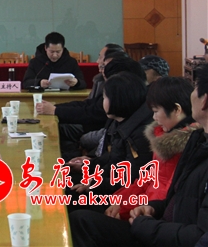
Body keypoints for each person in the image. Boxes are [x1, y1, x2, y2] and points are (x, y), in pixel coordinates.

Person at [69, 64, 208, 247]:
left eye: (156, 111)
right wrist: (146, 208)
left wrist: (138, 216)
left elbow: (197, 232)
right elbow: (155, 186)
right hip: (151, 217)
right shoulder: (185, 140)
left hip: (158, 228)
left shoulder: (183, 144)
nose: (153, 117)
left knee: (80, 217)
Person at [105, 76, 198, 221]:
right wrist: (120, 202)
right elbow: (148, 179)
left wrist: (127, 210)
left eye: (156, 111)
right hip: (143, 210)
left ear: (176, 109)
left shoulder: (188, 146)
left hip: (152, 218)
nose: (154, 118)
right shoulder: (163, 137)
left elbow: (165, 196)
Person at [66, 71, 153, 208]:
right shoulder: (120, 122)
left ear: (118, 100)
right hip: (109, 185)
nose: (102, 102)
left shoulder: (140, 135)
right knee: (64, 178)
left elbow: (129, 179)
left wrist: (93, 183)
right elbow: (114, 160)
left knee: (67, 194)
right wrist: (89, 166)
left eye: (105, 97)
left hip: (122, 198)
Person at [22, 31, 86, 90]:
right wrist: (39, 82)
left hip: (65, 96)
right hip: (43, 96)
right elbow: (25, 83)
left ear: (63, 49)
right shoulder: (35, 62)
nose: (55, 55)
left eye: (58, 52)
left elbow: (83, 83)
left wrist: (76, 82)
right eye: (52, 52)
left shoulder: (71, 62)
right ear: (45, 48)